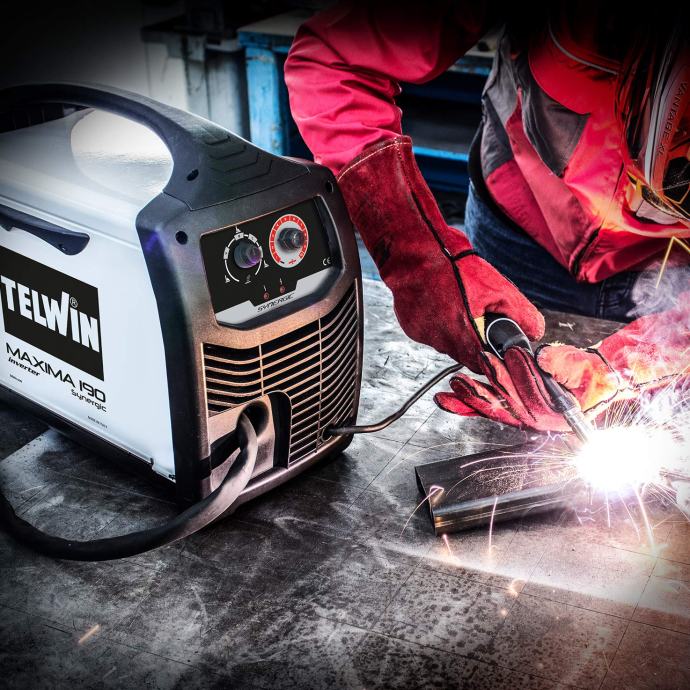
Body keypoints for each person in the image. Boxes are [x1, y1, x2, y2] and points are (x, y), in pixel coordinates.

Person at [284, 1, 690, 431]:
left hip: (669, 270)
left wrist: (629, 363)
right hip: (519, 236)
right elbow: (334, 59)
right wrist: (417, 254)